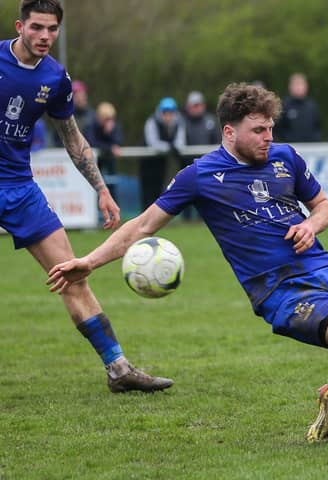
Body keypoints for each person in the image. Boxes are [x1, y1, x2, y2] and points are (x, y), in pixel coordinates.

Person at [47, 83, 328, 442]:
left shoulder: (286, 158)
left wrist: (313, 224)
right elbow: (142, 226)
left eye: (271, 128)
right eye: (258, 130)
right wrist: (88, 261)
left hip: (326, 269)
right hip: (282, 292)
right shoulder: (200, 176)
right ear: (229, 132)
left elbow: (325, 205)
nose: (269, 138)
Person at [1, 0, 172, 393]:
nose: (44, 36)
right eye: (37, 28)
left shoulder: (56, 79)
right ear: (19, 26)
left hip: (19, 187)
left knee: (72, 274)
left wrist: (101, 189)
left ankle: (119, 369)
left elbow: (73, 139)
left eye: (52, 30)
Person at [181, 90, 221, 220]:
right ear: (188, 106)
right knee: (186, 193)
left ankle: (203, 219)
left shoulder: (211, 121)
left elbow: (218, 141)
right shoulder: (182, 122)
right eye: (194, 105)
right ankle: (186, 220)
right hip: (187, 165)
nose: (197, 108)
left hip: (208, 166)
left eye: (199, 105)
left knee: (206, 194)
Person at [142, 96, 186, 210]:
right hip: (147, 162)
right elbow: (152, 142)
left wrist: (173, 147)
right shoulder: (152, 121)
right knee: (147, 190)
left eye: (170, 112)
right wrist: (170, 147)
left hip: (161, 160)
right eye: (165, 112)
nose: (168, 116)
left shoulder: (178, 122)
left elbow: (180, 141)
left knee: (158, 189)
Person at [274, 73, 322, 143]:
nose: (298, 87)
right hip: (290, 148)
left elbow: (317, 127)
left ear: (306, 87)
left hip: (310, 149)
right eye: (296, 85)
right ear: (290, 87)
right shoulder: (284, 105)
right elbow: (277, 129)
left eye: (301, 84)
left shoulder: (312, 106)